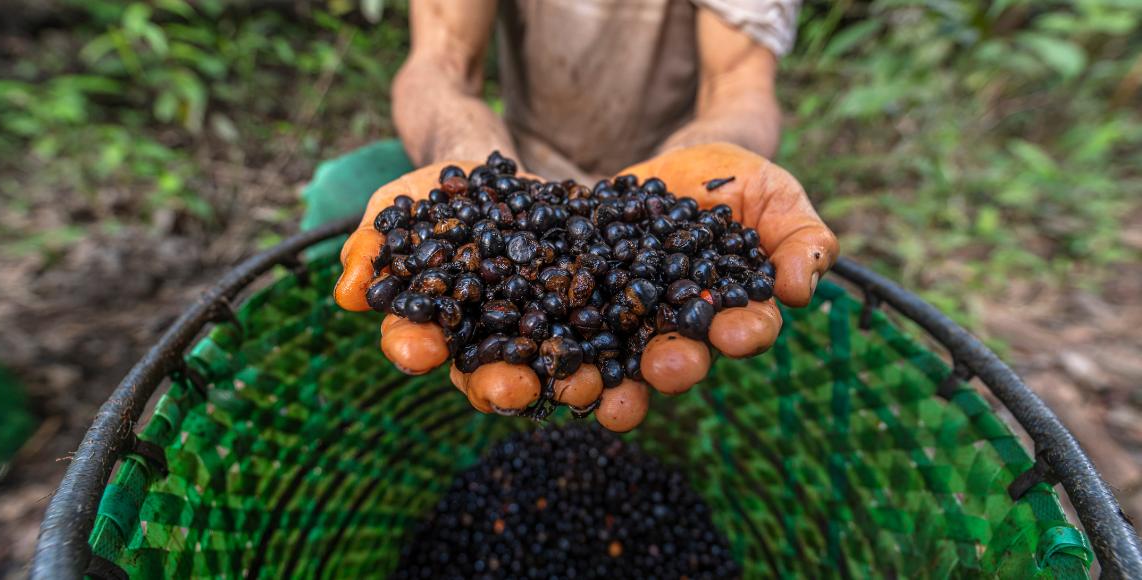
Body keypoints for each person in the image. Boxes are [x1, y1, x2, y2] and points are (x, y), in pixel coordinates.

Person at [325, 0, 839, 431]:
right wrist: (464, 152)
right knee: (336, 190)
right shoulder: (495, 238)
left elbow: (739, 83)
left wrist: (718, 155)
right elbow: (441, 59)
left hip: (675, 167)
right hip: (508, 160)